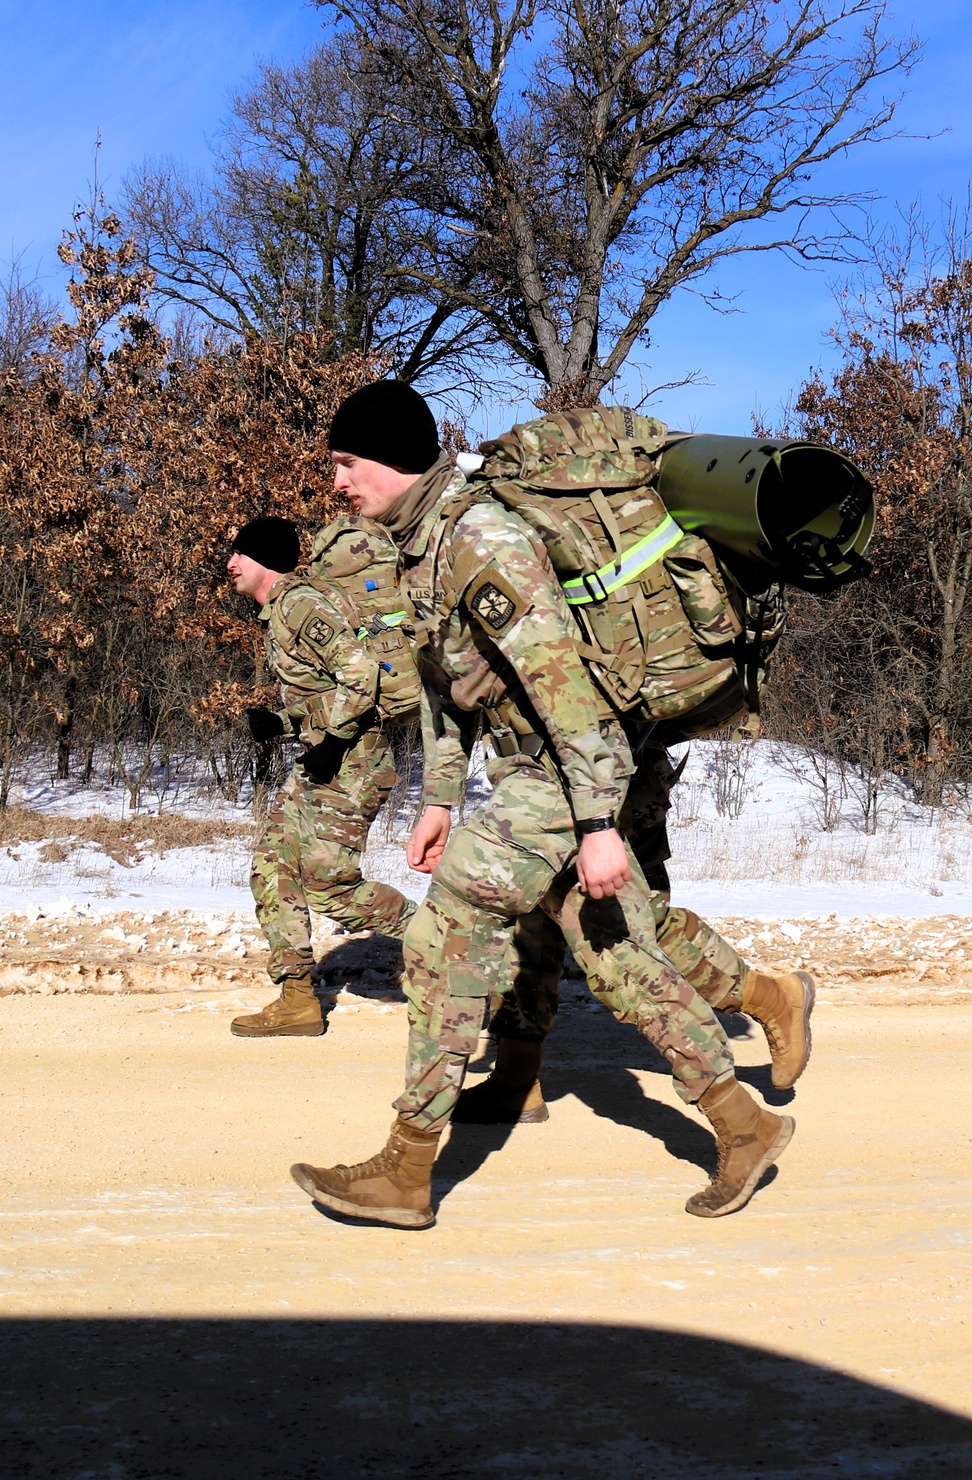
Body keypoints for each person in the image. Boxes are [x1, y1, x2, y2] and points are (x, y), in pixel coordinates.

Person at [289, 382, 799, 1225]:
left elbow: (563, 684)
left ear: (395, 456)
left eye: (347, 463)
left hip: (563, 780)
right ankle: (743, 1123)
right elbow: (444, 688)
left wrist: (599, 825)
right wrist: (440, 799)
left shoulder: (478, 537)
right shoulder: (420, 546)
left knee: (443, 933)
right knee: (611, 950)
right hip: (541, 775)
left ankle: (408, 1168)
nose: (337, 483)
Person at [457, 731, 814, 1123]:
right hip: (544, 773)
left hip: (611, 773)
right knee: (532, 915)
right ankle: (516, 1078)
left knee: (628, 927)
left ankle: (770, 999)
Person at [225, 515, 416, 1038]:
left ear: (263, 558)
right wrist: (284, 723)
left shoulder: (301, 604)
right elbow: (327, 692)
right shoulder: (280, 611)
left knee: (330, 885)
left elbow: (360, 672)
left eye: (239, 554)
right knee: (272, 862)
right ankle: (297, 998)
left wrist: (332, 741)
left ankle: (446, 941)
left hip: (355, 759)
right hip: (323, 757)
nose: (230, 564)